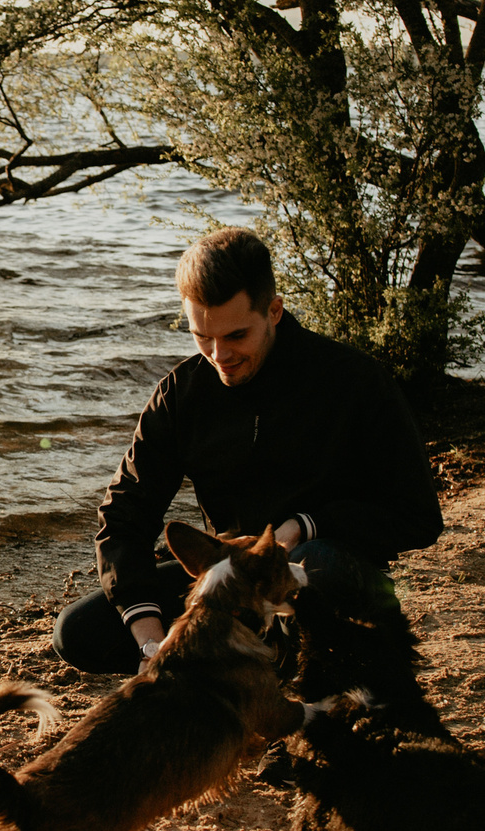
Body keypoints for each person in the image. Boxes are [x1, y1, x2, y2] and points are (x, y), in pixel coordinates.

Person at [54, 227, 443, 676]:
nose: (219, 354)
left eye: (236, 335)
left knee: (312, 564)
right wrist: (151, 643)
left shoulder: (356, 381)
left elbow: (417, 516)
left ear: (274, 312)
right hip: (231, 579)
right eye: (202, 336)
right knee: (79, 632)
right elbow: (125, 517)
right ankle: (227, 672)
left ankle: (298, 675)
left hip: (330, 572)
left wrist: (307, 525)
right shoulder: (182, 394)